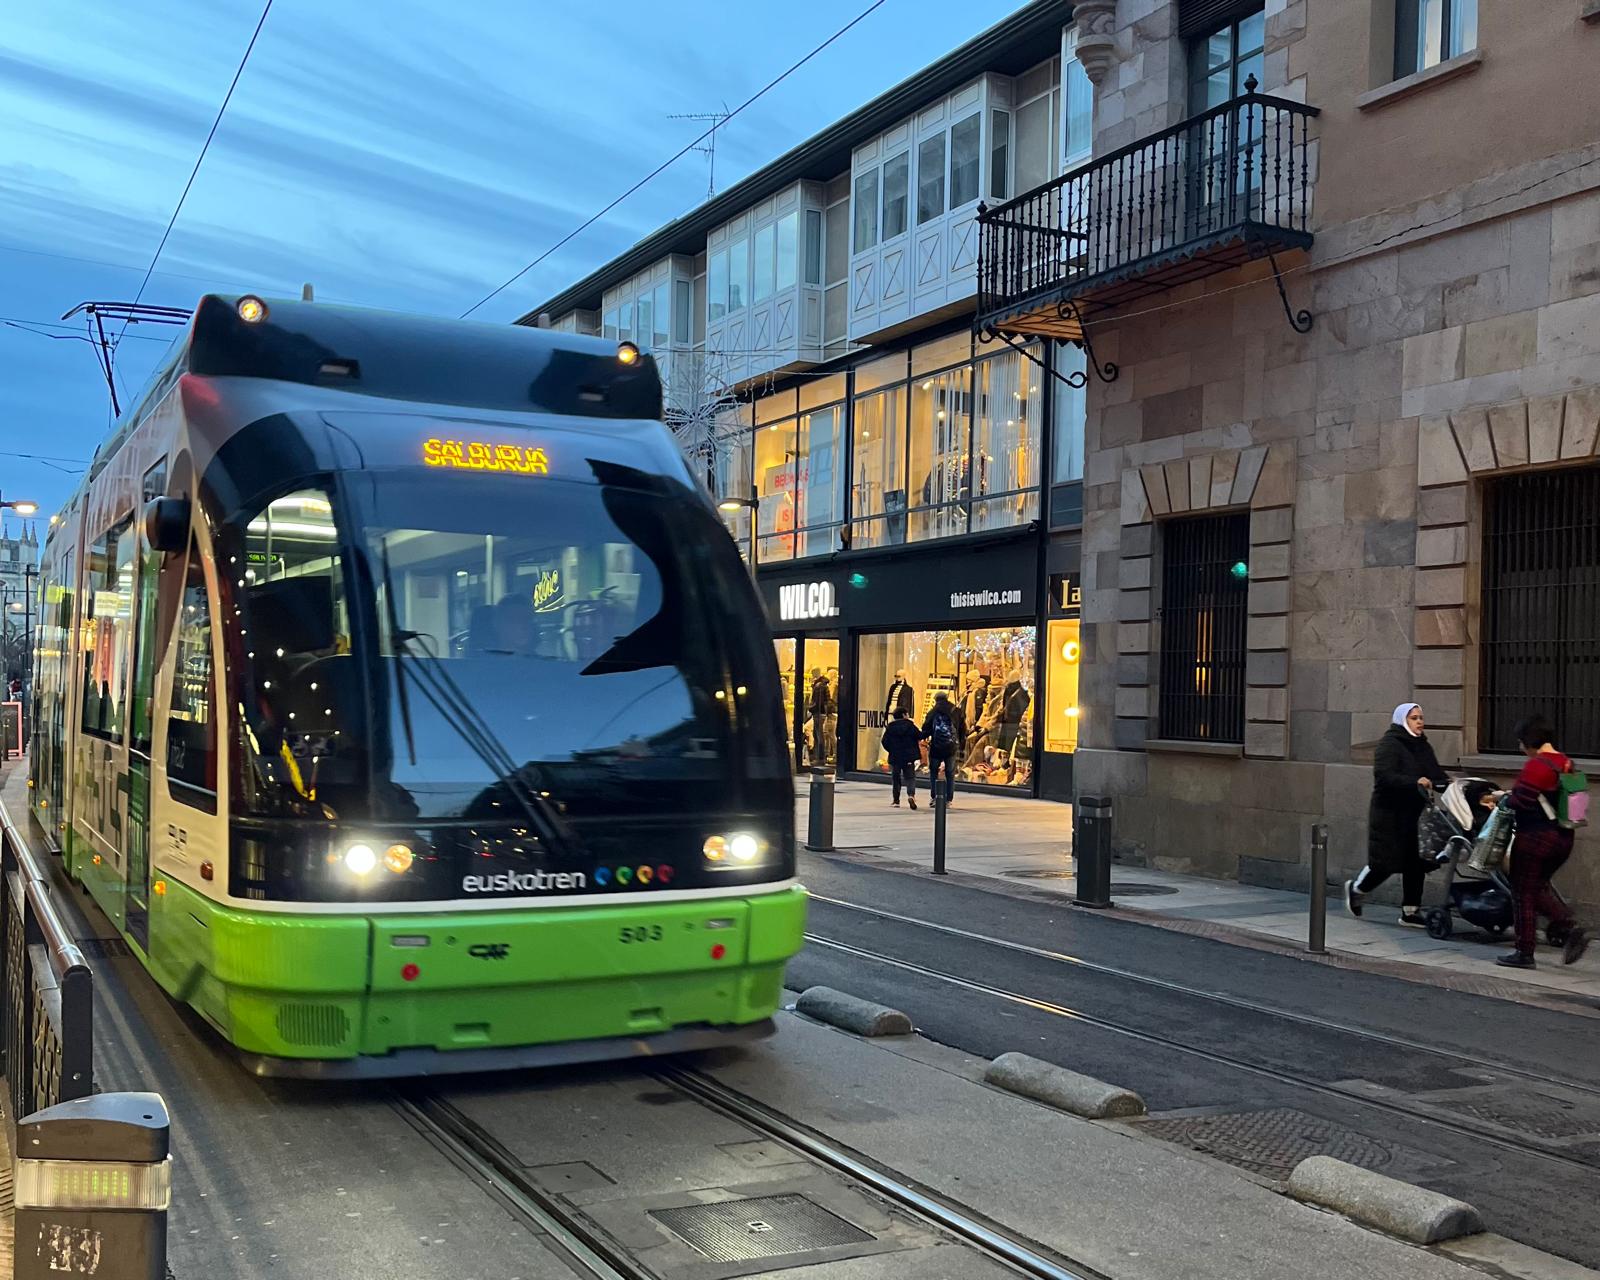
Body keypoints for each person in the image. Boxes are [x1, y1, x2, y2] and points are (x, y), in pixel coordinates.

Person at [1346, 702, 1450, 926]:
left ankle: (1410, 912)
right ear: (1403, 720)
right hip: (1390, 814)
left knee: (1417, 862)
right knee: (1385, 863)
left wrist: (1448, 784)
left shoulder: (1422, 745)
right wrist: (1415, 781)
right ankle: (1357, 889)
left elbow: (1435, 773)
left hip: (1415, 814)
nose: (1420, 722)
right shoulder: (1390, 744)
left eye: (1421, 717)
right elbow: (1384, 776)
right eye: (1414, 718)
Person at [1498, 715, 1589, 969]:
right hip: (1563, 838)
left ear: (1529, 740)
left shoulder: (1536, 766)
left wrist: (1505, 797)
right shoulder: (1566, 762)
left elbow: (1520, 801)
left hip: (1535, 837)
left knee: (1522, 892)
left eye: (1520, 741)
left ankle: (1524, 952)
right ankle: (1569, 927)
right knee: (1537, 887)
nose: (1519, 748)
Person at [922, 691, 965, 804]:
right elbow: (962, 729)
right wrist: (960, 743)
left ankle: (935, 797)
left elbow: (926, 728)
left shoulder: (933, 711)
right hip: (951, 747)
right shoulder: (956, 711)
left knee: (934, 772)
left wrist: (923, 737)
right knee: (950, 773)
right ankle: (949, 799)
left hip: (936, 746)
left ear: (936, 700)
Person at [880, 708, 924, 809]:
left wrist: (891, 749)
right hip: (908, 756)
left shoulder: (890, 727)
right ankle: (911, 795)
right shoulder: (910, 726)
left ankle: (896, 801)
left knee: (896, 778)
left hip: (895, 756)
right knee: (910, 777)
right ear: (904, 715)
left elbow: (884, 741)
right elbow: (919, 736)